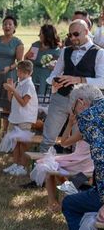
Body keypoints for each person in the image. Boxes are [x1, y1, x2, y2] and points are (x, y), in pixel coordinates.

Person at [40, 19, 104, 153]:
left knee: (79, 144)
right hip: (61, 98)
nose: (72, 38)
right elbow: (54, 74)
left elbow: (102, 81)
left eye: (76, 34)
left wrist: (78, 79)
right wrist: (54, 80)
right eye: (70, 35)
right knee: (48, 139)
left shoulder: (99, 53)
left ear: (87, 32)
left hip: (84, 104)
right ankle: (41, 171)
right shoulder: (65, 51)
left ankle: (73, 173)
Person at [60, 84, 104, 230]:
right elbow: (65, 142)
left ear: (81, 103)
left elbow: (102, 158)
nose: (76, 115)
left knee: (70, 203)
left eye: (74, 110)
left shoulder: (88, 118)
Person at [29, 115, 93, 212]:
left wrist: (70, 124)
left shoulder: (86, 128)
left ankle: (53, 204)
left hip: (81, 163)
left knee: (49, 165)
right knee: (53, 168)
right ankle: (61, 199)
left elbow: (64, 143)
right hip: (90, 165)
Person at [1, 60, 38, 176]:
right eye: (18, 71)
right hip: (16, 117)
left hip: (25, 118)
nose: (18, 74)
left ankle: (23, 166)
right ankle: (16, 163)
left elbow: (23, 103)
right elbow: (11, 99)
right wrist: (10, 89)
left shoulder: (29, 85)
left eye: (20, 72)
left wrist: (13, 90)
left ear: (28, 73)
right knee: (15, 142)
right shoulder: (20, 83)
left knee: (23, 143)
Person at [24, 24, 61, 97]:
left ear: (48, 35)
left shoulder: (55, 50)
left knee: (42, 99)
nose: (39, 35)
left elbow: (56, 67)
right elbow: (26, 59)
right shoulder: (36, 45)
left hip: (45, 78)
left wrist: (51, 65)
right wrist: (27, 57)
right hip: (33, 75)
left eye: (41, 33)